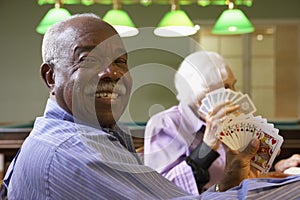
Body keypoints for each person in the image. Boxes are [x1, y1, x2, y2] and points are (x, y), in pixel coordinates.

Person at [2, 13, 300, 199]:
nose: (112, 72)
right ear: (51, 77)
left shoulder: (103, 135)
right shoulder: (73, 149)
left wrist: (243, 173)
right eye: (90, 60)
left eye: (120, 61)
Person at [144, 51, 237, 194]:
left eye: (234, 85)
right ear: (200, 95)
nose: (235, 94)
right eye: (226, 87)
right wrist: (208, 145)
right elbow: (161, 189)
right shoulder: (165, 123)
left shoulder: (230, 121)